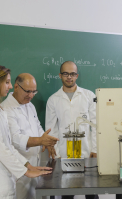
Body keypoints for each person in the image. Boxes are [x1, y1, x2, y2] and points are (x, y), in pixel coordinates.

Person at [0, 65, 52, 199]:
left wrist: (28, 166)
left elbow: (8, 146)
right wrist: (26, 172)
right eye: (7, 82)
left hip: (4, 180)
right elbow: (0, 148)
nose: (10, 86)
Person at [1, 73, 59, 199]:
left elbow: (37, 127)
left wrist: (46, 141)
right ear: (16, 87)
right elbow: (15, 138)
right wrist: (41, 140)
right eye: (28, 91)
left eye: (34, 92)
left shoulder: (30, 105)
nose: (31, 95)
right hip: (20, 168)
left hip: (35, 164)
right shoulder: (6, 109)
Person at [45, 61, 98, 199]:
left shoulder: (89, 96)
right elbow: (51, 130)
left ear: (77, 75)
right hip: (64, 154)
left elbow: (96, 125)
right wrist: (56, 154)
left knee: (91, 192)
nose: (69, 77)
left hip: (87, 151)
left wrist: (95, 149)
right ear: (60, 75)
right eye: (66, 74)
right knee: (67, 193)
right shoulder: (53, 100)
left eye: (73, 74)